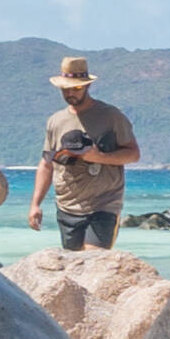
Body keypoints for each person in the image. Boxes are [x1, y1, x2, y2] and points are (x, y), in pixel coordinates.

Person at [28, 55, 140, 251]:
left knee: (93, 261)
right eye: (66, 88)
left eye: (76, 87)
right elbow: (46, 164)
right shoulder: (56, 121)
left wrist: (101, 158)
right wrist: (35, 204)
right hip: (67, 206)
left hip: (104, 204)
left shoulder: (111, 116)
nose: (71, 92)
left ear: (87, 86)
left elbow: (133, 154)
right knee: (74, 266)